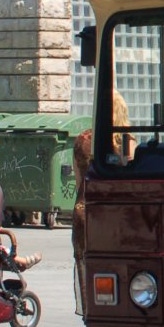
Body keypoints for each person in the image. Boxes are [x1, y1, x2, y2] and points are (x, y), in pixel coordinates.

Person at [71, 128, 92, 316]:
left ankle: (89, 316)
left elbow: (78, 181)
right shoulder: (123, 138)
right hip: (113, 210)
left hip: (83, 208)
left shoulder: (81, 140)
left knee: (85, 265)